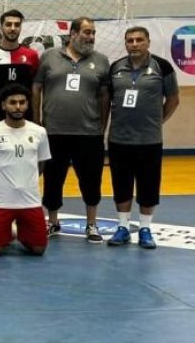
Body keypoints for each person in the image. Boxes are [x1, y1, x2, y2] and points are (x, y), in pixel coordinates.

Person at [32, 17, 110, 242]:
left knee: (91, 181)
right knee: (53, 179)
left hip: (89, 134)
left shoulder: (102, 61)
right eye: (86, 32)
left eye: (93, 33)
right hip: (54, 132)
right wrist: (37, 122)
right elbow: (36, 87)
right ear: (73, 34)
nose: (91, 37)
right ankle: (53, 222)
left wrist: (102, 127)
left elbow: (105, 97)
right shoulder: (49, 57)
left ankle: (92, 224)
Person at [106, 26, 179, 249]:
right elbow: (107, 100)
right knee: (121, 185)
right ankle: (122, 227)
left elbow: (173, 99)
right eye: (130, 41)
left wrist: (157, 123)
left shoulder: (162, 67)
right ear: (126, 44)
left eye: (139, 40)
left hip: (149, 141)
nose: (134, 44)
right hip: (119, 139)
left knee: (148, 186)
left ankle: (146, 228)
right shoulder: (116, 68)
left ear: (148, 42)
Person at [0, 9, 39, 235]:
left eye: (16, 25)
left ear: (21, 27)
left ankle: (23, 222)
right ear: (0, 27)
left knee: (21, 169)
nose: (12, 28)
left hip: (23, 121)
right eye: (8, 24)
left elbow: (34, 90)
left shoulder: (31, 56)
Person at [0, 84, 51, 256]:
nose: (18, 107)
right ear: (4, 105)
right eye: (13, 102)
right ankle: (10, 230)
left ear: (27, 105)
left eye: (22, 102)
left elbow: (41, 164)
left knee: (39, 250)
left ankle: (19, 232)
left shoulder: (39, 132)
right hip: (1, 201)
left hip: (30, 200)